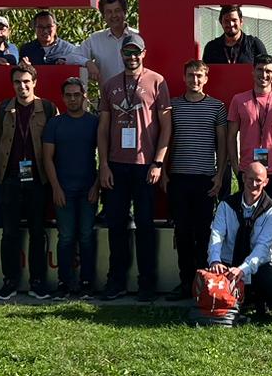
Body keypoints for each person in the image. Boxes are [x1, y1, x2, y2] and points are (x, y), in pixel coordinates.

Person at [98, 39, 172, 300]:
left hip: (145, 166)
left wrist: (158, 162)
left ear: (144, 53)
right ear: (121, 54)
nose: (132, 57)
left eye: (136, 52)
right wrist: (103, 164)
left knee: (144, 226)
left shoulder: (157, 81)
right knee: (116, 225)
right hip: (116, 165)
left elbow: (167, 126)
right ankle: (116, 281)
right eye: (127, 52)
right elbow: (103, 128)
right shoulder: (110, 84)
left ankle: (147, 283)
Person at [228, 55, 272, 272]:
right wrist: (235, 165)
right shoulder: (239, 100)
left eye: (268, 71)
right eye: (260, 70)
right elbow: (231, 136)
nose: (264, 75)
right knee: (247, 224)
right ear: (253, 71)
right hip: (248, 173)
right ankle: (246, 274)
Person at [0, 64, 57, 301]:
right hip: (10, 179)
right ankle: (9, 281)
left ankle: (37, 282)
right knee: (9, 233)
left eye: (26, 82)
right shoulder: (2, 109)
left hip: (38, 180)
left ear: (35, 82)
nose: (22, 86)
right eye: (17, 82)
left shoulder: (48, 108)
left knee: (37, 232)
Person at [167, 60, 230, 290]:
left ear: (206, 78)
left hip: (205, 179)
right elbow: (166, 140)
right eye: (191, 75)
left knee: (204, 233)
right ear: (184, 77)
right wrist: (164, 173)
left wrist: (219, 175)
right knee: (182, 232)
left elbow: (222, 144)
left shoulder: (217, 107)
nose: (195, 79)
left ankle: (203, 284)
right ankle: (185, 282)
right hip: (178, 177)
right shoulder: (173, 106)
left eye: (199, 75)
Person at [206, 162, 272, 320]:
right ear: (243, 178)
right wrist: (215, 261)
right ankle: (233, 299)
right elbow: (216, 235)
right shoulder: (225, 205)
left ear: (266, 182)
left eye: (258, 180)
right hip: (227, 264)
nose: (254, 184)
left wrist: (242, 270)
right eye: (250, 179)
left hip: (256, 266)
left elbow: (262, 248)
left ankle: (254, 299)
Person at [43, 76, 100, 296]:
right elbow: (47, 158)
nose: (73, 99)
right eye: (68, 95)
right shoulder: (55, 123)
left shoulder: (94, 122)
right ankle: (64, 283)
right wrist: (55, 188)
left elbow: (104, 156)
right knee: (66, 237)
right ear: (63, 98)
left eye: (77, 95)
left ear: (84, 96)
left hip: (88, 189)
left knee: (86, 235)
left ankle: (87, 283)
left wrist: (97, 186)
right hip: (63, 189)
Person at [82, 0, 144, 87]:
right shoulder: (95, 39)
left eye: (117, 11)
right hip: (108, 95)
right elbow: (75, 56)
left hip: (138, 93)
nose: (114, 15)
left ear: (125, 12)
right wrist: (88, 63)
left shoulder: (138, 37)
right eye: (109, 12)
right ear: (103, 16)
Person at [202, 4, 269, 65]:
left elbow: (267, 68)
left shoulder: (254, 44)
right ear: (220, 22)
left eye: (234, 20)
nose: (231, 24)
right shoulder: (211, 47)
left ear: (241, 21)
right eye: (226, 21)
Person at [21, 9, 87, 66]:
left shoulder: (69, 50)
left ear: (55, 27)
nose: (45, 31)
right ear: (35, 28)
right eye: (40, 27)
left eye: (49, 26)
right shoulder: (26, 50)